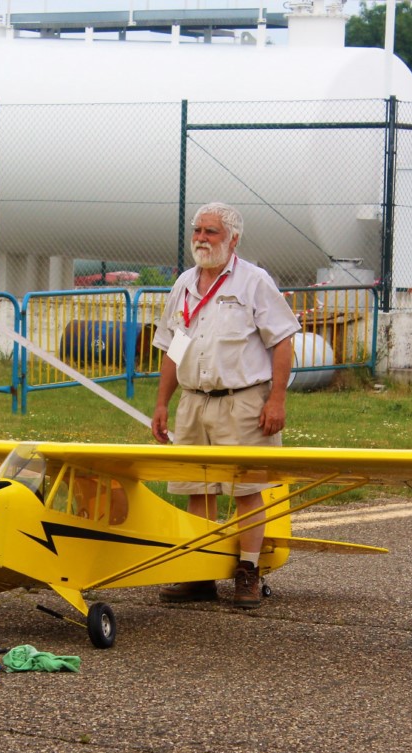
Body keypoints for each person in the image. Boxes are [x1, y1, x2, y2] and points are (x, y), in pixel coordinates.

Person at [150, 202, 299, 609]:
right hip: (194, 402)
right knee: (197, 490)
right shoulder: (183, 284)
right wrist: (162, 404)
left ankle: (248, 571)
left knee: (248, 489)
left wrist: (277, 399)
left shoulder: (255, 281)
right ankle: (201, 573)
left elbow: (282, 339)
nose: (201, 238)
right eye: (197, 230)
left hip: (244, 401)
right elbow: (173, 345)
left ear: (233, 238)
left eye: (211, 232)